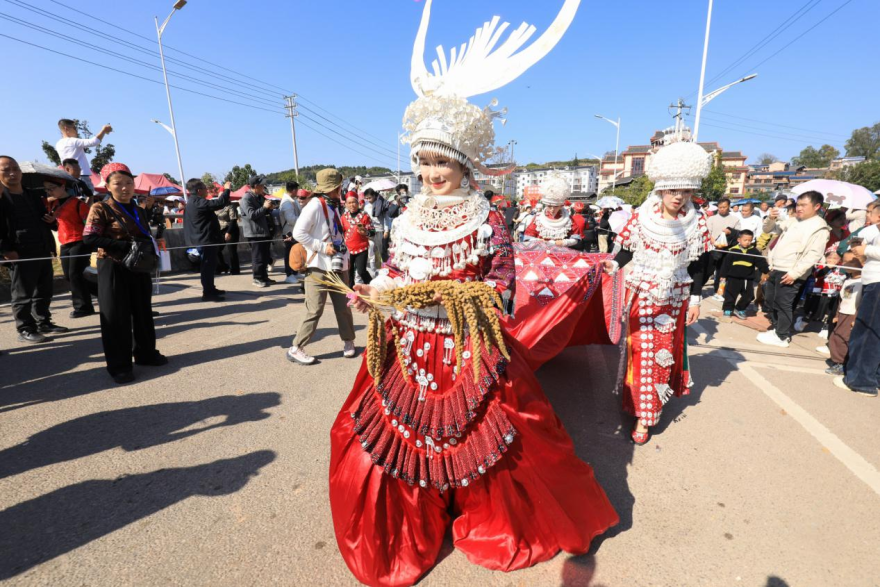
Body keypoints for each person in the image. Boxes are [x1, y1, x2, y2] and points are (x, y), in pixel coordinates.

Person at [330, 6, 617, 583]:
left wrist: (452, 298)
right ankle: (412, 526)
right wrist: (376, 294)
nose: (433, 172)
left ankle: (488, 517)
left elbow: (502, 288)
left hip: (468, 347)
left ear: (463, 165)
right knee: (382, 441)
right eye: (424, 162)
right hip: (407, 346)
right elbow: (391, 267)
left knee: (508, 439)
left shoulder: (491, 220)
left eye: (442, 162)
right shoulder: (408, 216)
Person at [603, 141, 714, 445]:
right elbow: (625, 250)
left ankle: (647, 415)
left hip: (675, 299)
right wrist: (613, 266)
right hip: (642, 295)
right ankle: (634, 401)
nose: (679, 197)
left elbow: (701, 265)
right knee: (640, 351)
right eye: (673, 191)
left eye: (686, 192)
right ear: (662, 190)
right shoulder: (641, 218)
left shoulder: (697, 222)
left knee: (662, 357)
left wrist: (695, 299)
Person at [82, 163, 166, 384]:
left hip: (138, 266)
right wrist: (123, 246)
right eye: (118, 183)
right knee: (116, 317)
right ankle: (119, 366)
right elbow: (89, 238)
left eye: (129, 183)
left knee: (143, 311)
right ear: (108, 186)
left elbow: (143, 234)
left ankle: (146, 354)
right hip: (113, 266)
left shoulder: (138, 209)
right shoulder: (101, 208)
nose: (125, 188)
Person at [286, 169, 356, 365]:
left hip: (338, 265)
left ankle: (348, 341)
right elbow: (299, 233)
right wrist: (322, 246)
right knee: (314, 309)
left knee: (343, 306)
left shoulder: (333, 205)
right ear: (335, 187)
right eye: (339, 185)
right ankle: (296, 347)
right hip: (317, 266)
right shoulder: (316, 205)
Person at [0, 156, 67, 343]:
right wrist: (5, 250)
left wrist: (51, 222)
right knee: (22, 293)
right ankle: (25, 328)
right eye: (6, 170)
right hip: (19, 253)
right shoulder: (1, 197)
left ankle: (43, 321)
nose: (12, 173)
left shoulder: (33, 195)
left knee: (45, 290)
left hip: (42, 248)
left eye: (15, 168)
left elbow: (44, 220)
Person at [757, 191, 830, 348]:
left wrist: (795, 273)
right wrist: (770, 218)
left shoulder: (819, 228)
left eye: (804, 205)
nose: (799, 208)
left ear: (817, 206)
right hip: (776, 266)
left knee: (783, 303)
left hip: (792, 271)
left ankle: (782, 336)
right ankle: (777, 329)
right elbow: (769, 229)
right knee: (770, 300)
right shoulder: (793, 221)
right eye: (798, 204)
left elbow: (813, 255)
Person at [834, 200, 880, 396]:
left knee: (867, 333)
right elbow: (854, 239)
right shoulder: (873, 230)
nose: (867, 216)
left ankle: (861, 381)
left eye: (869, 212)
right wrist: (857, 244)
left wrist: (865, 251)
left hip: (878, 284)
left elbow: (864, 247)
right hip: (873, 282)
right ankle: (871, 376)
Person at [44, 176, 95, 318]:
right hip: (64, 242)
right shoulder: (52, 205)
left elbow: (88, 224)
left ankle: (83, 307)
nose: (49, 191)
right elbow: (56, 225)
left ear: (62, 186)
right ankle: (103, 292)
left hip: (80, 241)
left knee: (74, 274)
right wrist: (51, 221)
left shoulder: (78, 203)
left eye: (52, 188)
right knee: (69, 275)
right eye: (47, 189)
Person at [184, 179, 231, 302]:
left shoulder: (193, 201)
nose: (207, 190)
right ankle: (208, 292)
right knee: (207, 266)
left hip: (205, 239)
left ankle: (210, 288)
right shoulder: (197, 201)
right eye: (205, 188)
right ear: (199, 191)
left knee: (210, 265)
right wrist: (227, 189)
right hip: (204, 240)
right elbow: (219, 203)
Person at [822, 259, 862, 375]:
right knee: (835, 337)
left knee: (843, 339)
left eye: (850, 263)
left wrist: (855, 318)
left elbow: (861, 302)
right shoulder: (848, 280)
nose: (845, 265)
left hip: (852, 314)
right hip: (843, 313)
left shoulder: (863, 282)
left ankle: (842, 364)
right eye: (845, 261)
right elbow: (842, 299)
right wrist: (837, 314)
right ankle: (837, 360)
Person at [523, 172, 585, 247]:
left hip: (561, 254)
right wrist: (538, 241)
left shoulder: (568, 219)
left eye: (555, 206)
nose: (552, 209)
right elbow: (528, 237)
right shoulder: (538, 219)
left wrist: (564, 242)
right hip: (541, 253)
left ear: (560, 205)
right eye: (549, 206)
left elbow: (576, 238)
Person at [796, 249, 845, 337]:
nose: (832, 260)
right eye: (830, 257)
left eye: (836, 258)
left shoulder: (841, 269)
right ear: (826, 258)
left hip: (833, 295)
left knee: (829, 313)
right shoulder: (821, 266)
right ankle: (803, 321)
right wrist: (828, 267)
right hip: (819, 294)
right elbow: (817, 274)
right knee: (813, 311)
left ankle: (825, 328)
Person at [720, 229, 768, 319]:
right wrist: (723, 276)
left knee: (749, 296)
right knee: (730, 295)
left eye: (750, 240)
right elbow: (726, 265)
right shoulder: (733, 250)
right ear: (739, 240)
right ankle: (728, 309)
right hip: (733, 278)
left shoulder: (754, 252)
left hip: (747, 278)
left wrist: (766, 270)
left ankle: (739, 308)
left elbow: (761, 262)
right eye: (745, 240)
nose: (748, 242)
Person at [239, 175, 276, 288]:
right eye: (262, 185)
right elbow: (252, 215)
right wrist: (264, 208)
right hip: (254, 233)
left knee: (264, 256)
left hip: (263, 231)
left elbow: (262, 212)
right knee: (258, 257)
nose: (263, 187)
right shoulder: (247, 198)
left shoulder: (260, 197)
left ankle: (264, 276)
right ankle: (257, 278)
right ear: (256, 186)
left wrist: (269, 207)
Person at [54, 119, 112, 191]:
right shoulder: (72, 141)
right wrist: (104, 130)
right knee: (89, 195)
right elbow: (94, 142)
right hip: (81, 175)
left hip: (68, 176)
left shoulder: (58, 144)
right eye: (74, 128)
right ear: (66, 128)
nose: (76, 131)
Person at [706, 198, 739, 299]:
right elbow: (707, 233)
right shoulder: (711, 219)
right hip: (713, 248)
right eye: (720, 207)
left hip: (727, 249)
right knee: (709, 270)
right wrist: (713, 241)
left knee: (722, 272)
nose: (722, 209)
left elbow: (738, 233)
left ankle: (719, 291)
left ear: (729, 207)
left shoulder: (735, 219)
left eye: (724, 207)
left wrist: (731, 232)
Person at [340, 194, 373, 287]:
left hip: (361, 247)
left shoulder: (365, 215)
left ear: (358, 203)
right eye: (349, 203)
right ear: (346, 204)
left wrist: (366, 232)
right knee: (349, 272)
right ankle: (351, 291)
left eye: (354, 202)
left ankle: (373, 286)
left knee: (361, 271)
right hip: (348, 249)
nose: (352, 205)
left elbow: (373, 231)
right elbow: (341, 232)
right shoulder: (343, 217)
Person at [279, 181, 302, 285]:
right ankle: (289, 274)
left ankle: (294, 271)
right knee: (289, 254)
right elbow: (291, 219)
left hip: (294, 231)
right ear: (293, 190)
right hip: (289, 232)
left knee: (295, 252)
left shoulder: (292, 200)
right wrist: (304, 219)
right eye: (296, 190)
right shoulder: (287, 203)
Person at [363, 188, 392, 267]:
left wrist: (386, 230)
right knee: (372, 249)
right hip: (371, 229)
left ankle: (387, 266)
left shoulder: (381, 204)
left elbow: (386, 218)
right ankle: (375, 267)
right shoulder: (366, 206)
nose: (369, 200)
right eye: (367, 198)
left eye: (370, 198)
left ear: (374, 196)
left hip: (380, 230)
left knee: (382, 250)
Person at [216, 201, 240, 275]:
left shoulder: (231, 206)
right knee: (217, 249)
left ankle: (235, 269)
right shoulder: (216, 206)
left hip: (231, 230)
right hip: (220, 230)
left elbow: (233, 220)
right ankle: (222, 266)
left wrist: (228, 232)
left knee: (232, 251)